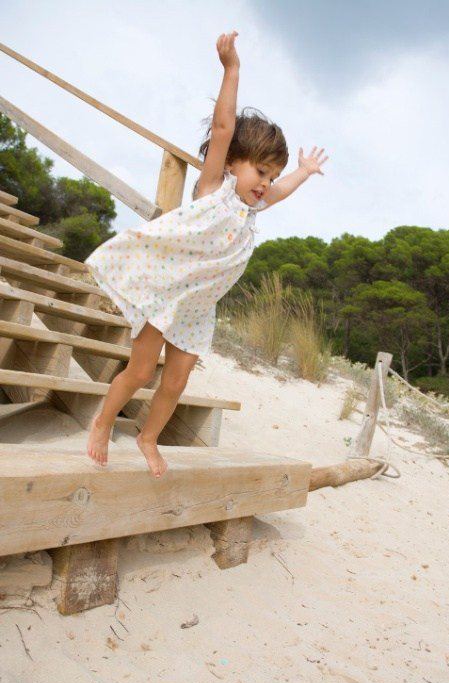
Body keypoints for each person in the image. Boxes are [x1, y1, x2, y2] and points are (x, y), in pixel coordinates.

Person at [85, 31, 328, 477]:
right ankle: (102, 422)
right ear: (234, 162)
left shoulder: (255, 206)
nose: (265, 182)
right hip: (167, 294)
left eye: (271, 176)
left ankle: (148, 437)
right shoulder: (215, 188)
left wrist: (304, 173)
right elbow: (223, 127)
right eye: (260, 170)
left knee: (176, 381)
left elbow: (284, 190)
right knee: (141, 372)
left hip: (199, 308)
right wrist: (231, 69)